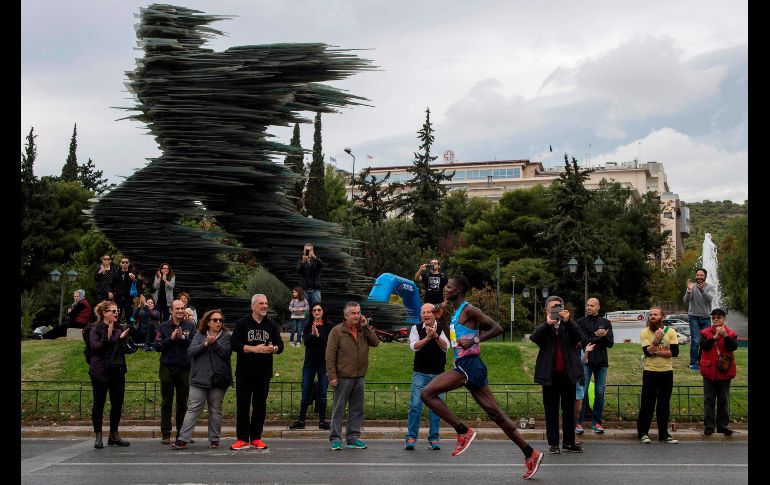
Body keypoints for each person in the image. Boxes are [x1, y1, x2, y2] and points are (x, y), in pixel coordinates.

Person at [421, 276, 543, 480]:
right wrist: (441, 319)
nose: (445, 289)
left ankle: (463, 431)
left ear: (459, 289)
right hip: (467, 366)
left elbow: (497, 328)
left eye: (449, 287)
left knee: (427, 393)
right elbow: (454, 341)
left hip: (469, 367)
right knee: (496, 415)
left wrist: (475, 339)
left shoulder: (469, 309)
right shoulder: (455, 314)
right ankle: (530, 453)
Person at [530, 296, 585, 454]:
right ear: (547, 310)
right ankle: (553, 443)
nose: (557, 310)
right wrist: (548, 324)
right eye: (553, 307)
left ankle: (569, 442)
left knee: (569, 410)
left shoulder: (569, 325)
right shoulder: (544, 327)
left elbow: (579, 338)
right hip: (550, 376)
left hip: (568, 375)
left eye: (559, 307)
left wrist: (568, 322)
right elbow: (535, 338)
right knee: (551, 410)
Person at [229, 294, 284, 450]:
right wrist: (253, 348)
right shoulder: (242, 323)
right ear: (253, 306)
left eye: (266, 303)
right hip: (244, 373)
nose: (264, 306)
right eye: (261, 303)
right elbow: (234, 344)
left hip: (264, 373)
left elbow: (280, 345)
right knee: (243, 405)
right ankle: (241, 438)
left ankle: (256, 437)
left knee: (260, 406)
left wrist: (273, 349)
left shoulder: (271, 325)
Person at [172, 309, 233, 450]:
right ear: (208, 322)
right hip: (199, 378)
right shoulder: (199, 335)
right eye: (215, 320)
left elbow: (226, 353)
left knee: (215, 410)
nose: (218, 322)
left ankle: (214, 439)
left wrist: (214, 343)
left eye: (220, 320)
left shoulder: (226, 336)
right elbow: (191, 352)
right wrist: (205, 344)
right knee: (193, 409)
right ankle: (182, 439)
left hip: (218, 379)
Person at [326, 301, 379, 450]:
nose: (356, 316)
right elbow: (330, 355)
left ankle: (353, 438)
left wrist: (366, 326)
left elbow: (375, 342)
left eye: (358, 313)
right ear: (346, 315)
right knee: (339, 409)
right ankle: (335, 438)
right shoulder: (337, 331)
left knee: (357, 409)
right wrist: (332, 376)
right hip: (343, 376)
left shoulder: (363, 330)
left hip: (360, 376)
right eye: (353, 313)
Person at [405, 303, 449, 451]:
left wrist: (435, 336)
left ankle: (434, 439)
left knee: (436, 408)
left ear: (434, 314)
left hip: (438, 375)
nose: (425, 315)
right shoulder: (416, 328)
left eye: (428, 312)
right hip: (420, 373)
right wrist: (427, 338)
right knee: (415, 406)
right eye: (423, 312)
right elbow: (413, 346)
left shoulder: (442, 328)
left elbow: (446, 347)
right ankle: (411, 437)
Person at [88, 300, 131, 449]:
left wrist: (124, 338)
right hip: (100, 371)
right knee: (99, 403)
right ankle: (98, 436)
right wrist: (109, 336)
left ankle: (114, 435)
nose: (116, 313)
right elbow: (95, 348)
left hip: (117, 370)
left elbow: (125, 349)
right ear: (104, 313)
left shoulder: (121, 328)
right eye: (113, 311)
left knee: (117, 403)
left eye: (117, 311)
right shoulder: (96, 329)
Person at [155, 299, 196, 444]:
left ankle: (182, 433)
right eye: (177, 308)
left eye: (182, 308)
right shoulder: (164, 327)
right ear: (171, 311)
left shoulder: (190, 326)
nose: (180, 311)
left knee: (182, 404)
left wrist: (182, 338)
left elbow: (195, 345)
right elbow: (157, 346)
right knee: (166, 402)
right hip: (167, 368)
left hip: (184, 368)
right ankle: (166, 433)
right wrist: (171, 339)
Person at [637, 306, 680, 444]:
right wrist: (656, 340)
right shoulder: (644, 332)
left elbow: (674, 352)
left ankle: (664, 434)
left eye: (655, 314)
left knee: (664, 404)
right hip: (650, 372)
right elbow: (647, 352)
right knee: (647, 403)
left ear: (662, 317)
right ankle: (643, 433)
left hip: (667, 372)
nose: (652, 317)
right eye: (651, 315)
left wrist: (655, 351)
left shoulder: (671, 332)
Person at [289, 302, 332, 430]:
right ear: (312, 312)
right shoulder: (308, 325)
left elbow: (329, 343)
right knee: (305, 392)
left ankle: (322, 421)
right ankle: (301, 421)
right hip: (310, 362)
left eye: (319, 310)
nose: (317, 312)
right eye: (314, 310)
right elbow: (306, 343)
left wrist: (319, 335)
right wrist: (313, 335)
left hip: (323, 363)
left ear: (323, 312)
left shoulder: (328, 326)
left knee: (323, 392)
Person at [575, 297, 613, 434]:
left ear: (598, 307)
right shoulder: (581, 322)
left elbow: (610, 343)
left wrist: (601, 337)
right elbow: (584, 341)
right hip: (586, 361)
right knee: (582, 392)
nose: (589, 308)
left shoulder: (606, 322)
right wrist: (600, 336)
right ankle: (578, 423)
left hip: (602, 362)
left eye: (592, 305)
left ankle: (597, 422)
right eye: (587, 305)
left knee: (599, 393)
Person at [698, 308, 738, 436]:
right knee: (709, 400)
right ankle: (709, 426)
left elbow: (733, 347)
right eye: (713, 317)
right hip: (709, 371)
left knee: (723, 400)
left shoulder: (731, 333)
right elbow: (704, 346)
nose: (715, 320)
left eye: (718, 317)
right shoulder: (705, 332)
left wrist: (725, 336)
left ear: (724, 319)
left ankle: (723, 426)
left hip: (724, 371)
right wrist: (714, 337)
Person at [683, 268, 716, 371]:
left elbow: (709, 299)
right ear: (695, 276)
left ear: (705, 277)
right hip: (694, 318)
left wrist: (702, 290)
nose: (699, 277)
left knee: (704, 342)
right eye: (698, 275)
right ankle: (693, 363)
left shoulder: (710, 287)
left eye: (701, 275)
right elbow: (685, 301)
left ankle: (702, 362)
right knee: (696, 341)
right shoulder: (691, 286)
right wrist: (689, 291)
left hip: (706, 318)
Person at [297, 243, 323, 325]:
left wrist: (315, 257)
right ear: (304, 251)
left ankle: (318, 329)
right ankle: (306, 332)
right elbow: (298, 270)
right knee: (305, 312)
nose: (308, 252)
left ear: (313, 250)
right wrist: (303, 261)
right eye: (307, 250)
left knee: (317, 310)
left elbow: (322, 265)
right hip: (304, 290)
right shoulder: (300, 260)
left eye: (310, 250)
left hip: (315, 290)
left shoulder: (316, 260)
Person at [573, 342, 595, 441]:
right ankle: (570, 437)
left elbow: (584, 361)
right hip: (568, 381)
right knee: (569, 411)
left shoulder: (578, 346)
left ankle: (573, 435)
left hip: (578, 380)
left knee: (577, 411)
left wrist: (586, 351)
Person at [113, 256, 138, 323]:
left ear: (129, 263)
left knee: (130, 316)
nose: (125, 264)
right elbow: (112, 284)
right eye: (123, 262)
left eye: (126, 262)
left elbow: (137, 284)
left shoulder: (132, 274)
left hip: (128, 298)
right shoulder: (116, 274)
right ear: (120, 263)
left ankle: (130, 331)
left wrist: (134, 279)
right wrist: (112, 293)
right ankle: (115, 331)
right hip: (118, 297)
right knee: (116, 315)